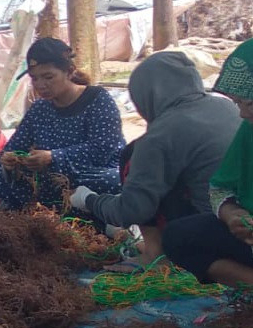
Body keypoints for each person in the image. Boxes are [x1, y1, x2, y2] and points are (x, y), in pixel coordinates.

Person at [65, 52, 241, 269]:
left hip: (219, 231)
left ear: (145, 95)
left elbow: (131, 211)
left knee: (132, 154)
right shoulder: (227, 107)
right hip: (241, 216)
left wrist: (89, 199)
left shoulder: (158, 137)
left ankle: (155, 255)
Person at [0, 38, 125, 212]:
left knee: (112, 180)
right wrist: (10, 159)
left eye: (48, 77)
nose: (40, 85)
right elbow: (13, 146)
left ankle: (84, 210)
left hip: (93, 172)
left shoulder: (98, 99)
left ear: (69, 72)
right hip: (53, 178)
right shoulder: (39, 108)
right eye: (34, 78)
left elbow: (103, 149)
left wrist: (54, 157)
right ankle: (46, 214)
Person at [163, 39, 253, 288]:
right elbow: (222, 187)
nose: (243, 115)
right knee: (178, 236)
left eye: (250, 104)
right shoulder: (249, 131)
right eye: (238, 103)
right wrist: (232, 214)